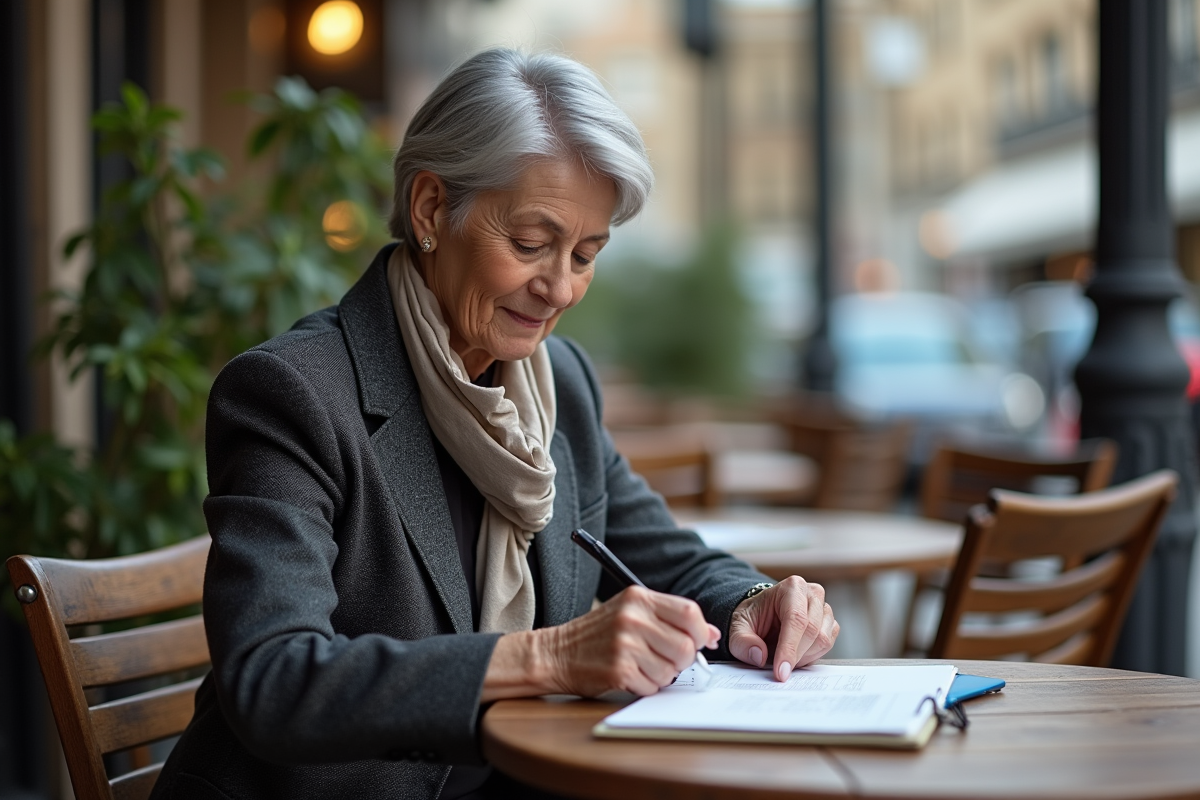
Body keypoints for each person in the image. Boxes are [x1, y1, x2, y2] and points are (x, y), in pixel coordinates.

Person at [150, 48, 838, 800]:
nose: (560, 287)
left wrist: (752, 602)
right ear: (430, 210)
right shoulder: (294, 393)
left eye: (586, 254)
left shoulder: (560, 385)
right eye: (532, 244)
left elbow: (664, 557)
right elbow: (273, 681)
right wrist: (545, 658)